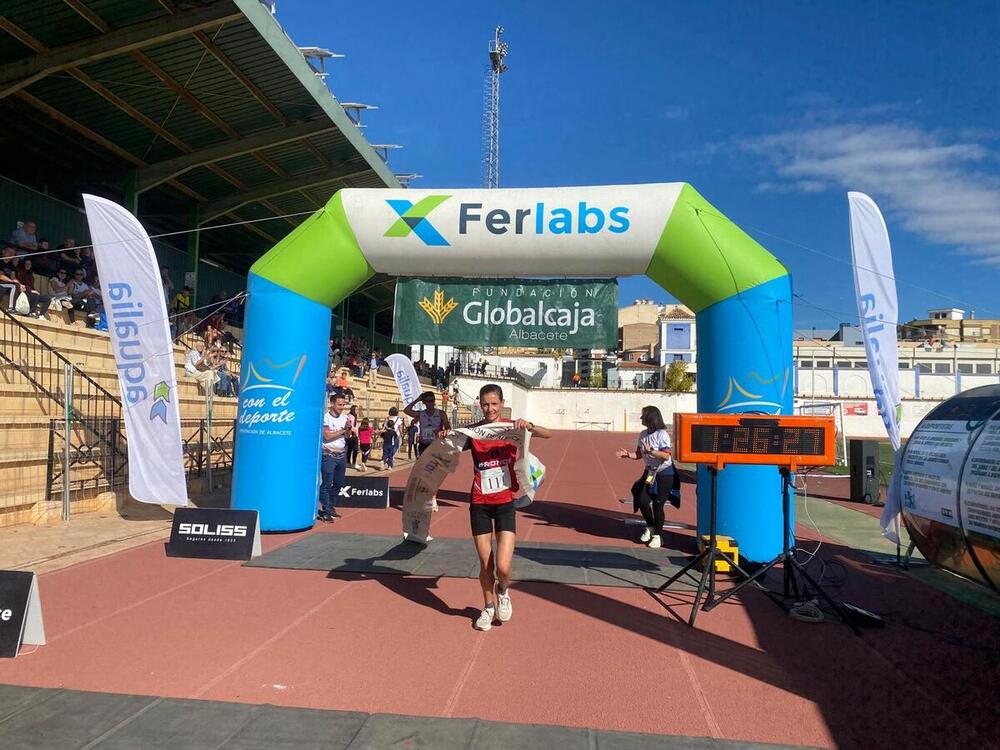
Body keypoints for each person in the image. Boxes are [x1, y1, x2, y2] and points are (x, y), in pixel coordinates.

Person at [464, 383, 552, 631]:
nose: (489, 408)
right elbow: (448, 446)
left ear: (502, 404)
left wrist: (530, 426)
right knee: (485, 565)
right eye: (485, 404)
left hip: (504, 503)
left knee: (502, 566)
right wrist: (441, 437)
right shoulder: (473, 432)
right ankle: (488, 606)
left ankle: (503, 590)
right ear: (479, 405)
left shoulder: (512, 428)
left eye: (494, 404)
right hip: (479, 502)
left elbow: (549, 434)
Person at [616, 405, 677, 549]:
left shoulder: (662, 434)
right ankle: (650, 527)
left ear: (651, 417)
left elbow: (666, 455)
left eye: (643, 415)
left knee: (658, 504)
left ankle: (658, 535)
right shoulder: (643, 434)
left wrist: (651, 451)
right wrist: (628, 455)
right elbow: (638, 454)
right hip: (650, 472)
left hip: (665, 473)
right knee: (642, 499)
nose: (641, 418)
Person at [404, 391, 452, 510]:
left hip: (436, 446)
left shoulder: (441, 413)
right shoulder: (421, 414)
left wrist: (444, 433)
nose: (431, 403)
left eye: (432, 400)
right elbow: (406, 410)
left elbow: (448, 427)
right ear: (424, 402)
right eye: (428, 400)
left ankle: (433, 498)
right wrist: (417, 399)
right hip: (424, 446)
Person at [319, 394, 351, 522]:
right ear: (332, 404)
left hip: (341, 454)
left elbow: (347, 436)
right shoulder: (326, 417)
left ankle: (331, 506)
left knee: (339, 483)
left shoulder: (344, 418)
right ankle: (325, 510)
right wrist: (343, 431)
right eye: (339, 405)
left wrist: (347, 429)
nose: (341, 407)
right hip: (328, 454)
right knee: (327, 483)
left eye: (343, 405)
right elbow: (327, 436)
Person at [346, 405, 359, 470]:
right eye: (356, 409)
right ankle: (349, 463)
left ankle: (353, 462)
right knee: (352, 450)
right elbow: (349, 426)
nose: (357, 411)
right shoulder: (349, 416)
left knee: (354, 450)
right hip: (351, 435)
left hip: (355, 435)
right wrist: (355, 430)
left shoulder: (355, 416)